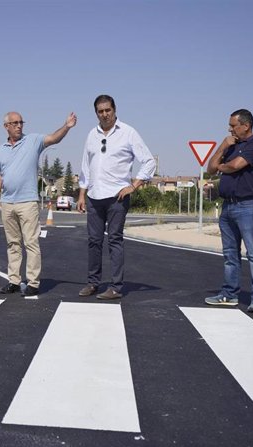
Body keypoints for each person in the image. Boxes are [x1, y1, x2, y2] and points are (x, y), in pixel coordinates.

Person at [0, 111, 77, 296]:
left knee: (31, 243)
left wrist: (66, 126)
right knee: (12, 244)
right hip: (7, 203)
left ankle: (33, 283)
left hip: (27, 202)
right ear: (6, 126)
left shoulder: (33, 141)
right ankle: (13, 281)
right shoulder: (1, 149)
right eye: (15, 123)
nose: (19, 126)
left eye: (21, 122)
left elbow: (53, 138)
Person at [77, 95, 156, 300]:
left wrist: (134, 185)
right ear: (96, 113)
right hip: (94, 196)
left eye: (107, 110)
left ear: (114, 110)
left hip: (117, 197)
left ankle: (115, 287)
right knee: (94, 241)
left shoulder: (128, 133)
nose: (104, 114)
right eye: (100, 111)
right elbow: (85, 166)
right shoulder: (91, 135)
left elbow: (148, 161)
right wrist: (82, 194)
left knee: (114, 240)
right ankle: (93, 283)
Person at [205, 109, 253, 313]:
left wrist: (221, 165)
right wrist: (223, 146)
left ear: (246, 125)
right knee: (230, 254)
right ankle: (229, 294)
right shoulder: (231, 145)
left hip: (248, 206)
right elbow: (209, 169)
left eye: (233, 125)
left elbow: (234, 166)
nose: (229, 129)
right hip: (228, 206)